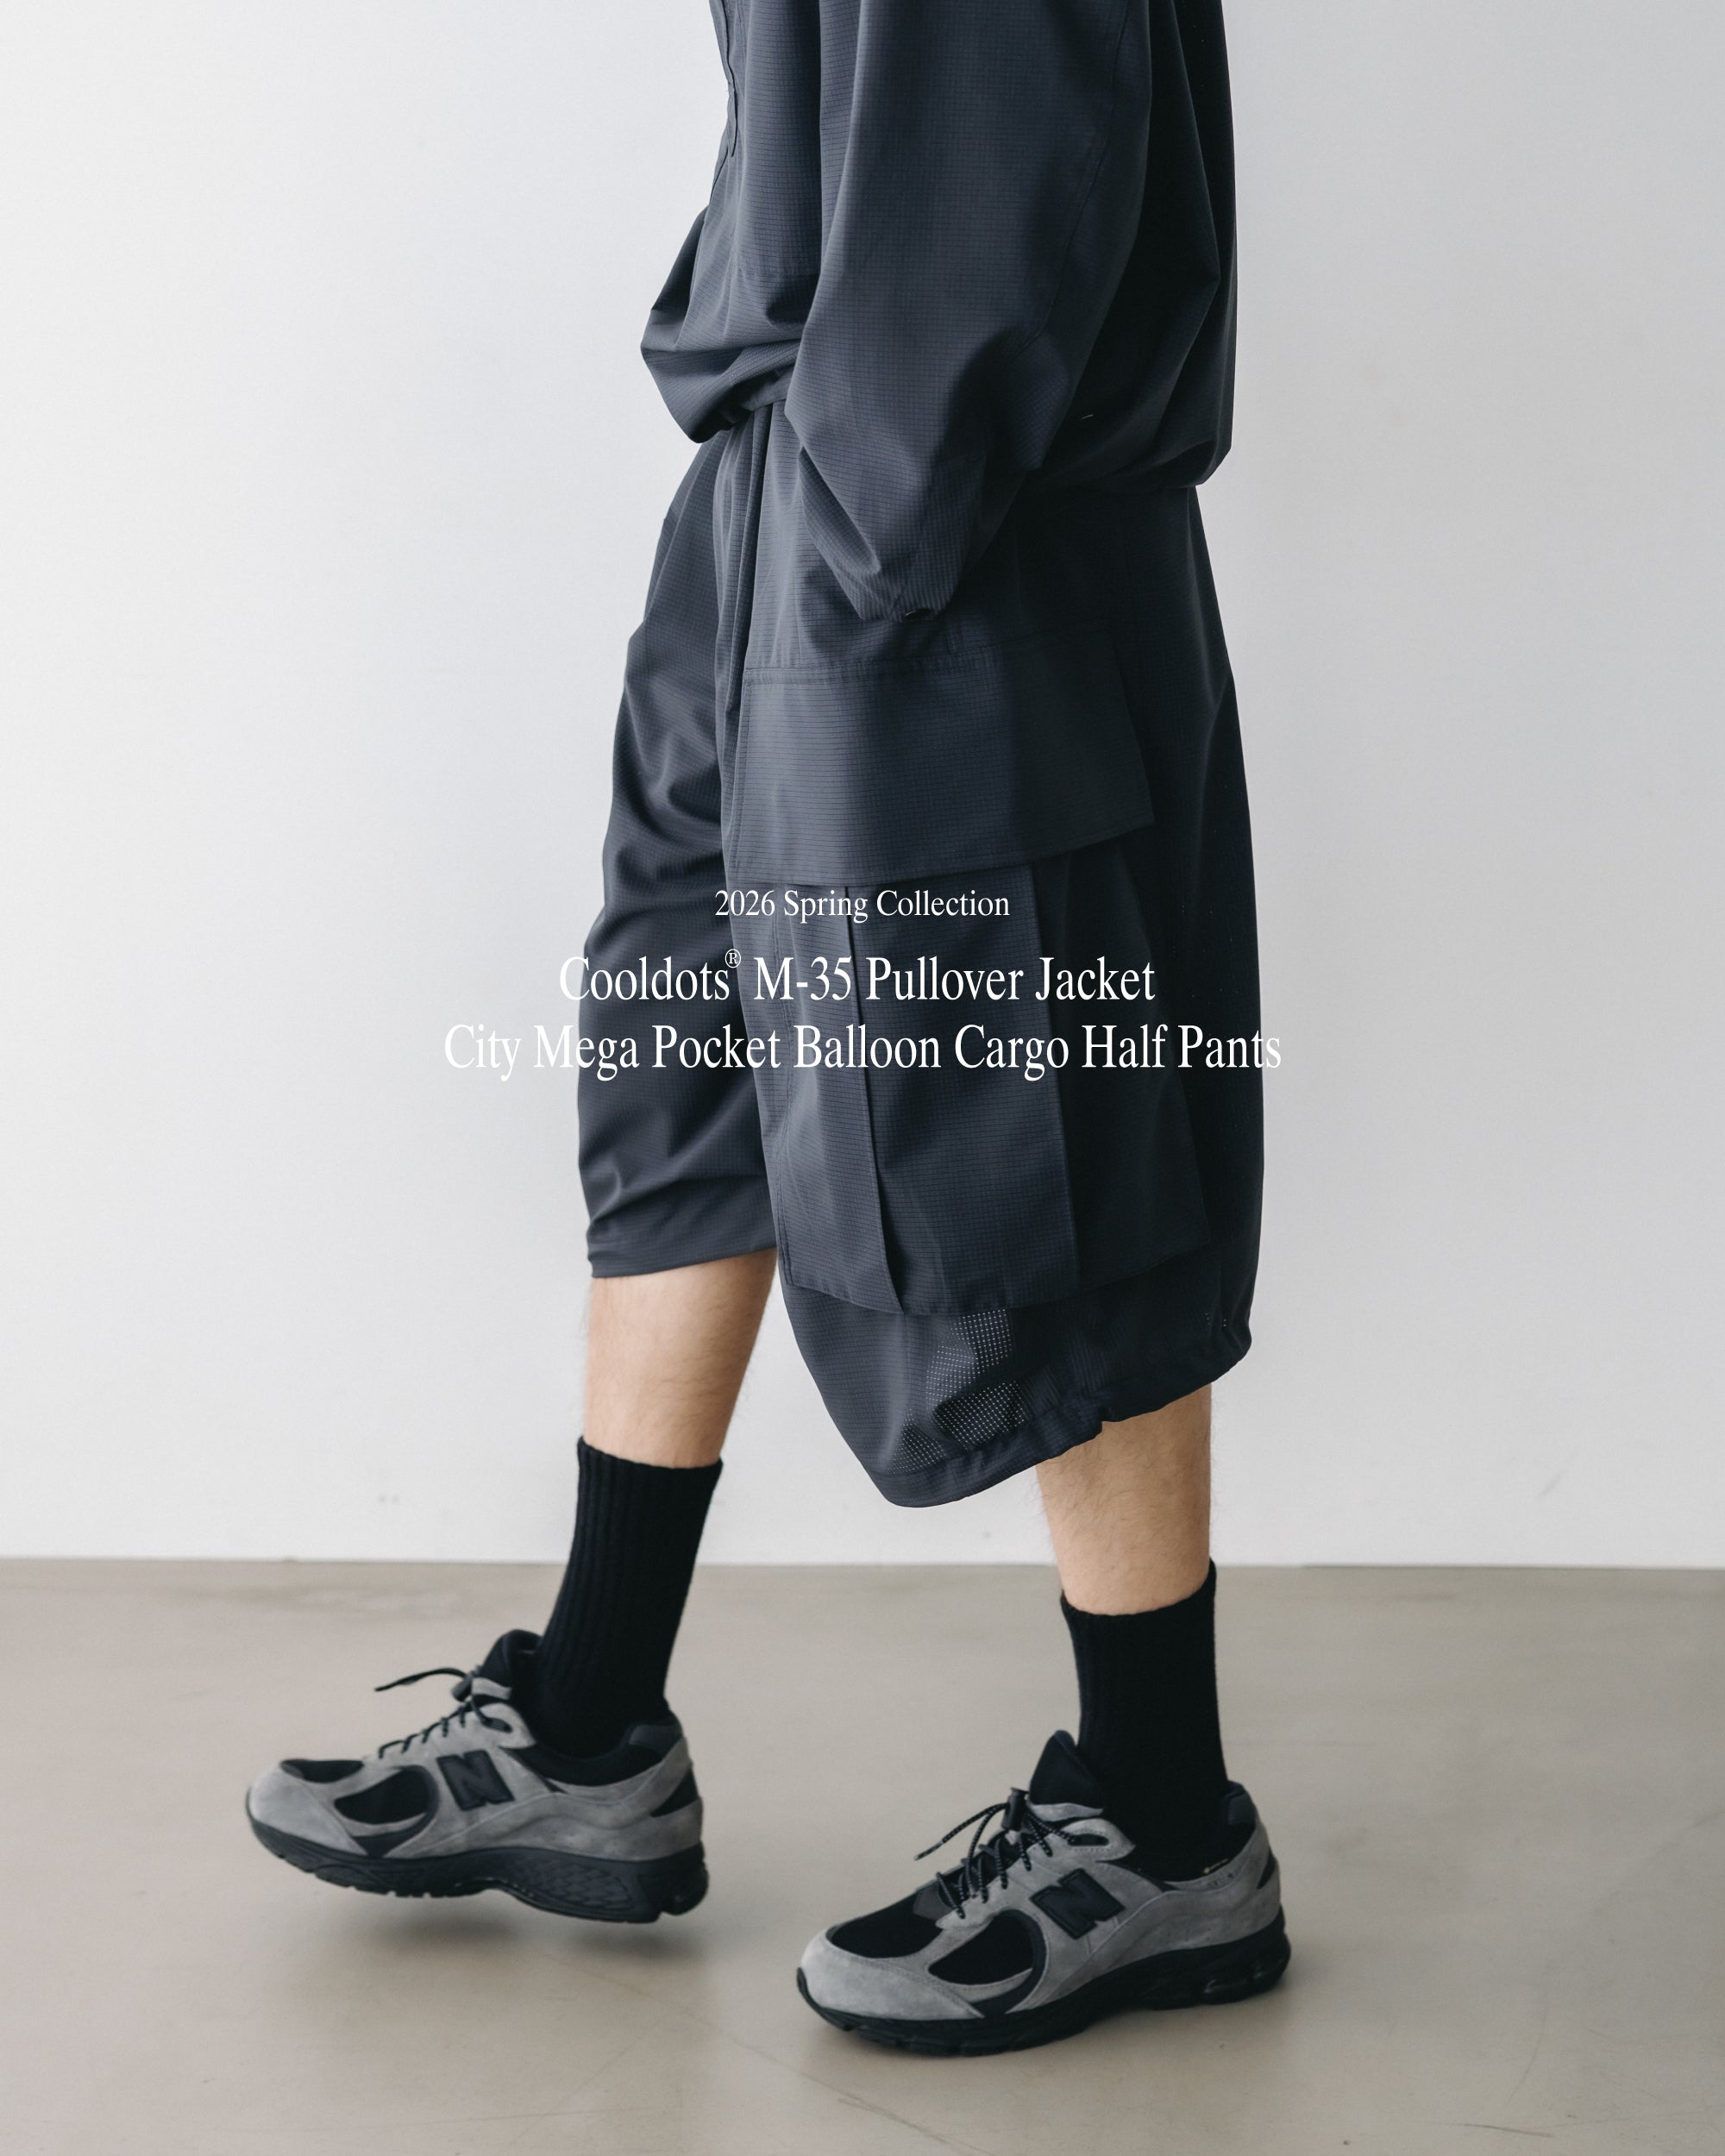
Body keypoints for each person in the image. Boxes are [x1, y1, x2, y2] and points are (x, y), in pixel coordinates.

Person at [246, 0, 1289, 2052]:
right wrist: (787, 475)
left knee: (1030, 1137)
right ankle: (590, 1715)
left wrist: (877, 506)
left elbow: (1008, 146)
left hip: (942, 519)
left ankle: (1166, 1817)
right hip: (781, 481)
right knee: (689, 1063)